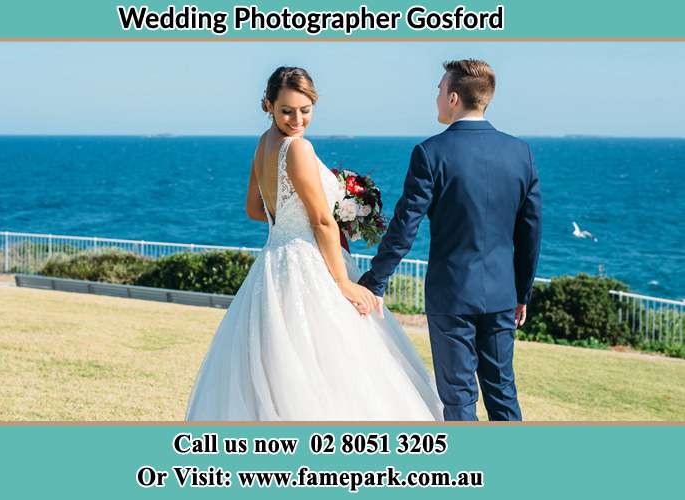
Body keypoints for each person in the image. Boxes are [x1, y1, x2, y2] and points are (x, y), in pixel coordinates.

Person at [185, 66, 443, 421]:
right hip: (310, 263)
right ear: (268, 105)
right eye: (286, 110)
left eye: (304, 110)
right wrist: (342, 282)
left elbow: (255, 209)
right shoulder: (298, 148)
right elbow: (322, 219)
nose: (296, 119)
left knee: (278, 359)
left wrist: (292, 219)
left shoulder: (264, 144)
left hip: (273, 262)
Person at [359, 59, 542, 421]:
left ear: (455, 98)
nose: (437, 97)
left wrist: (374, 281)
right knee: (503, 393)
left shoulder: (430, 153)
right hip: (503, 296)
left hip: (452, 295)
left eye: (440, 90)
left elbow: (404, 227)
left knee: (458, 401)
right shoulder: (520, 152)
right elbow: (531, 230)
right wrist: (522, 293)